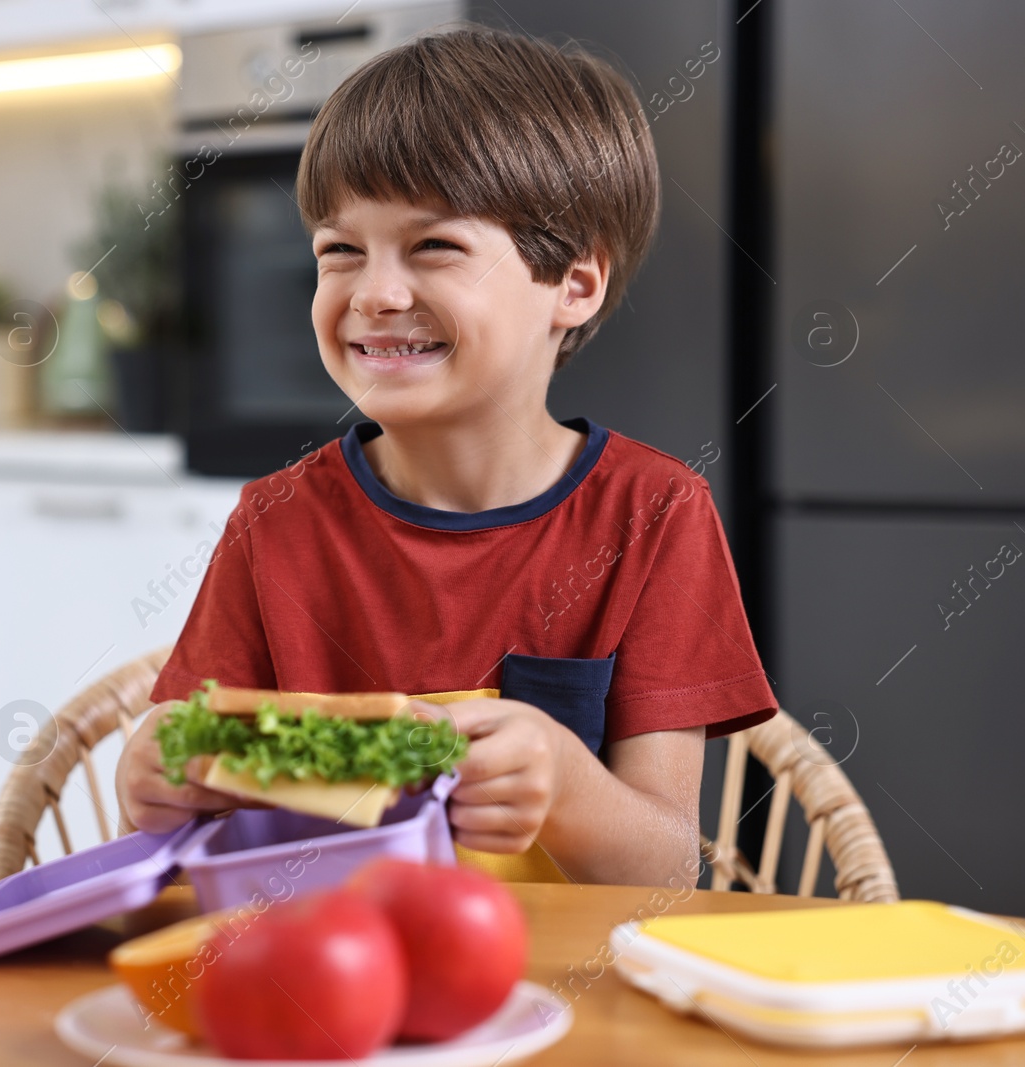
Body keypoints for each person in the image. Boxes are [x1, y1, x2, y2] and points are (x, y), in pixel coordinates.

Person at [115, 25, 774, 886]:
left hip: (571, 1000)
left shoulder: (655, 514)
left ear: (574, 283)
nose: (376, 293)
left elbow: (665, 872)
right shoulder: (275, 520)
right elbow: (186, 772)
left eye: (434, 247)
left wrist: (564, 779)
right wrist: (151, 773)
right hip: (324, 978)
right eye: (340, 251)